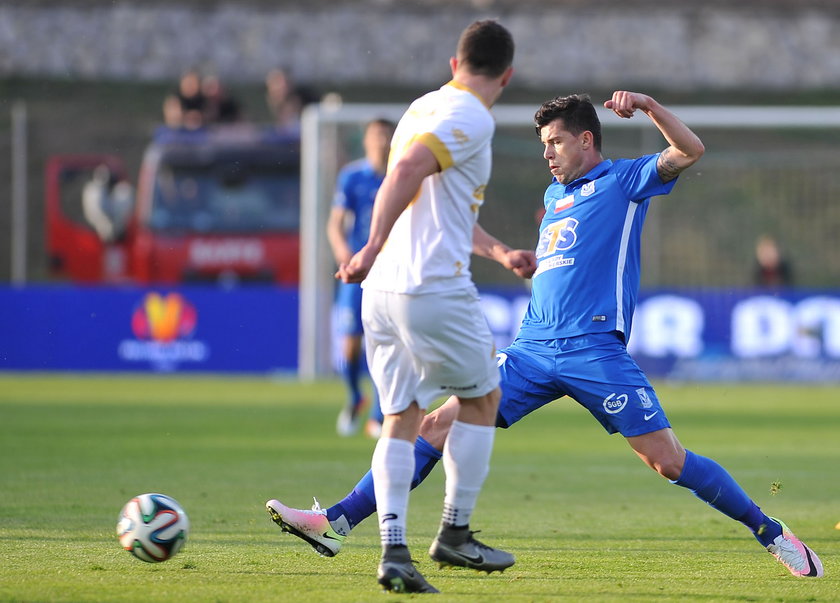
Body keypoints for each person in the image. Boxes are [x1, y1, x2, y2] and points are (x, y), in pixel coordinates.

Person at [265, 91, 824, 581]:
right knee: (436, 424)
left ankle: (768, 529)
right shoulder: (553, 200)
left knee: (668, 461)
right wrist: (521, 258)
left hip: (595, 349)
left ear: (587, 139)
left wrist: (650, 107)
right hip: (531, 351)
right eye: (543, 144)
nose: (547, 152)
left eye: (556, 142)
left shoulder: (625, 180)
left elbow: (690, 151)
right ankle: (337, 522)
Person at [267, 19, 537, 594]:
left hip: (382, 295)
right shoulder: (471, 116)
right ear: (507, 76)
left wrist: (498, 251)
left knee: (401, 419)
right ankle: (456, 533)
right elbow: (410, 173)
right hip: (430, 287)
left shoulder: (422, 108)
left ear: (452, 63)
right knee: (484, 395)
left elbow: (439, 208)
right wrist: (368, 244)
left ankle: (392, 551)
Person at [327, 118, 396, 438]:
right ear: (366, 140)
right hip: (358, 270)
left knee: (384, 342)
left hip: (391, 269)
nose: (381, 141)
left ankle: (378, 414)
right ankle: (355, 395)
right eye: (375, 135)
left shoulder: (401, 175)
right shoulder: (352, 177)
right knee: (351, 346)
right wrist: (344, 252)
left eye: (386, 135)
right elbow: (335, 223)